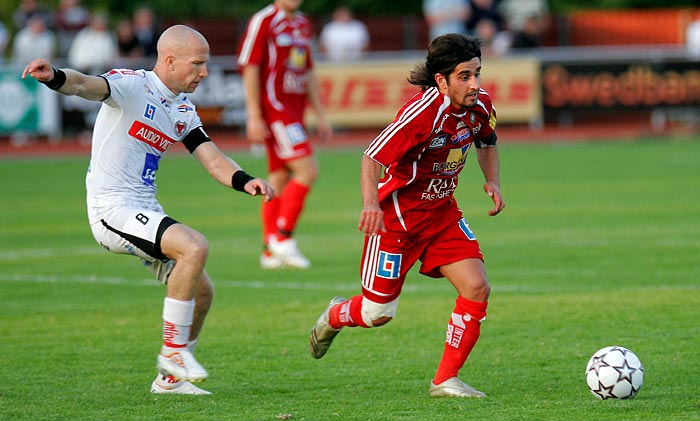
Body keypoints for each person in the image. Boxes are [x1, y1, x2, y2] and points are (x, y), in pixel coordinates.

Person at [22, 25, 274, 395]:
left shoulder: (182, 108)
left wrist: (245, 180)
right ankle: (173, 354)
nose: (204, 72)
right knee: (194, 246)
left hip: (143, 208)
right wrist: (56, 77)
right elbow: (84, 85)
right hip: (112, 209)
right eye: (198, 63)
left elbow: (212, 158)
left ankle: (169, 381)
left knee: (202, 293)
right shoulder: (132, 85)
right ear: (170, 61)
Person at [309, 33, 505, 398]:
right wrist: (370, 205)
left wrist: (492, 180)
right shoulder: (421, 114)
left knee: (477, 287)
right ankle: (336, 314)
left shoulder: (480, 106)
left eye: (477, 73)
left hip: (442, 214)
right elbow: (372, 157)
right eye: (465, 76)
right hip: (396, 223)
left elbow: (487, 141)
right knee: (376, 314)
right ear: (441, 80)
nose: (475, 84)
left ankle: (445, 380)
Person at [238, 0, 332, 270]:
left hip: (294, 111)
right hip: (276, 110)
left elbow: (308, 71)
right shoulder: (264, 21)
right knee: (307, 171)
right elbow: (251, 67)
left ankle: (269, 251)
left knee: (278, 179)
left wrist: (320, 114)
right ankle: (284, 238)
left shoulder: (303, 24)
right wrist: (254, 115)